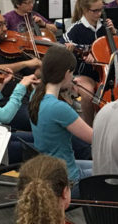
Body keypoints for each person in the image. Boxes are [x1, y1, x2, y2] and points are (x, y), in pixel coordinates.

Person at [29, 46, 93, 193]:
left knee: (99, 166)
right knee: (113, 173)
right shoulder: (58, 108)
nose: (73, 78)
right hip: (68, 180)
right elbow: (94, 138)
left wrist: (68, 95)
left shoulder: (35, 95)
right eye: (72, 73)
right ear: (66, 74)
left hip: (50, 169)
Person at [64, 0, 118, 123]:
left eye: (101, 9)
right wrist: (87, 50)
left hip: (107, 70)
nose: (99, 13)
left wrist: (115, 32)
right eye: (95, 11)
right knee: (88, 93)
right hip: (85, 73)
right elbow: (62, 44)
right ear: (85, 10)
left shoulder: (106, 26)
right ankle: (89, 126)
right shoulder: (76, 29)